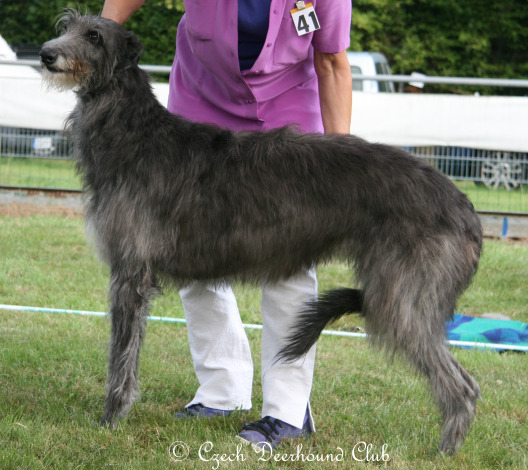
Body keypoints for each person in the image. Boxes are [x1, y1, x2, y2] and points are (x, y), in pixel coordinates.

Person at [101, 0, 352, 449]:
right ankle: (222, 389)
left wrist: (343, 161)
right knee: (184, 248)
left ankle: (287, 410)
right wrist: (99, 36)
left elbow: (331, 61)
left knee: (288, 260)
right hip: (199, 107)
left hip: (286, 117)